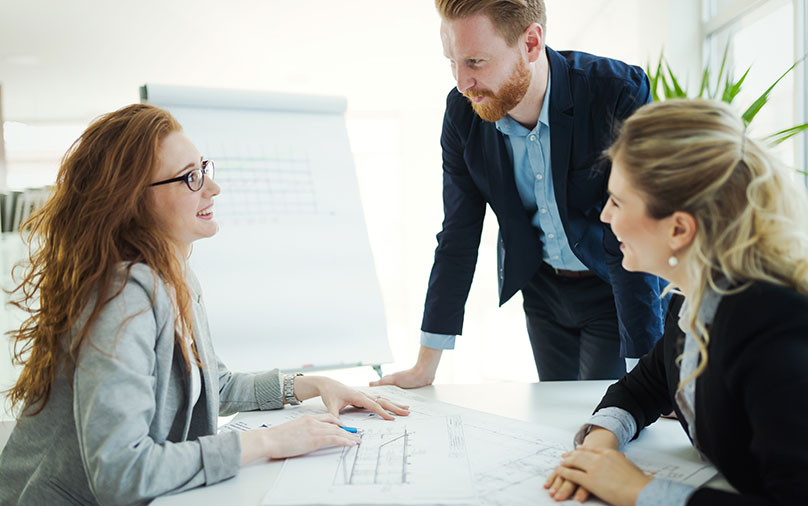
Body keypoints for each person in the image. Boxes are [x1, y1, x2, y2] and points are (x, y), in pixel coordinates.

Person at [0, 104, 409, 505]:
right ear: (132, 199)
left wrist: (308, 386)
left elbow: (212, 384)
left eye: (204, 169)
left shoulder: (173, 276)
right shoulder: (122, 296)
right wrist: (267, 441)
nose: (213, 188)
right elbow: (121, 473)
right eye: (190, 178)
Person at [372, 0, 666, 386]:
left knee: (609, 416)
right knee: (557, 418)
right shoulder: (462, 114)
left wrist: (649, 380)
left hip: (614, 286)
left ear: (530, 43)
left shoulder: (615, 92)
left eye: (475, 62)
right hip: (542, 290)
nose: (462, 83)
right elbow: (458, 235)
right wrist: (425, 366)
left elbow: (634, 226)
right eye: (452, 61)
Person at [544, 99, 808, 505]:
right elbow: (644, 387)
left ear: (679, 228)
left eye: (617, 201)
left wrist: (640, 490)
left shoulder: (771, 330)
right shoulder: (696, 297)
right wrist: (599, 445)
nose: (604, 217)